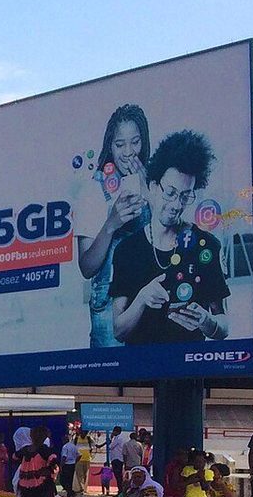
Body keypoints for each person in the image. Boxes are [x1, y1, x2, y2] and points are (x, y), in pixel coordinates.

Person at [110, 131, 232, 345]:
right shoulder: (127, 250)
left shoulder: (206, 245)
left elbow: (223, 325)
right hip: (138, 375)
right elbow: (119, 331)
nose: (177, 204)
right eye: (171, 193)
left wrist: (206, 321)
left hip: (192, 372)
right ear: (153, 187)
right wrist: (142, 299)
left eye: (186, 195)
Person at [73, 103, 151, 346]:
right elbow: (87, 267)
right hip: (108, 312)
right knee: (113, 384)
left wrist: (149, 191)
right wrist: (110, 224)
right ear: (110, 145)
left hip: (151, 305)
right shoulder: (93, 189)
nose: (128, 152)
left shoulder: (156, 179)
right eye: (120, 145)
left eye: (135, 142)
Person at [106, 426, 128, 497]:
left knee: (118, 476)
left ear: (117, 431)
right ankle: (120, 491)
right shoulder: (118, 438)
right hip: (116, 458)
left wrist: (111, 438)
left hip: (117, 459)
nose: (113, 432)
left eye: (114, 431)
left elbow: (110, 446)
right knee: (118, 476)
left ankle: (121, 492)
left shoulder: (118, 438)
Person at [58, 430, 81, 497]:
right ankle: (70, 493)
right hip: (72, 465)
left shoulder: (65, 447)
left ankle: (70, 492)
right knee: (70, 480)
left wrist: (61, 466)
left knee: (62, 480)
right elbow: (79, 455)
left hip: (66, 465)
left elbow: (64, 457)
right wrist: (75, 461)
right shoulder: (73, 446)